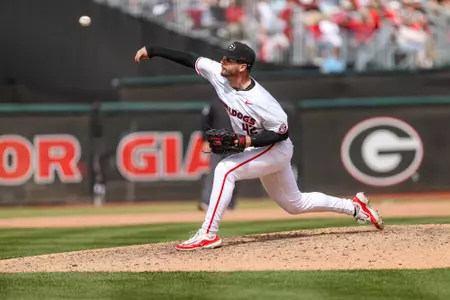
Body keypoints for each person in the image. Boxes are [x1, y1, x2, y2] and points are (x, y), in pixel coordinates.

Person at [134, 41, 384, 251]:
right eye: (223, 57)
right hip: (259, 149)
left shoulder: (262, 101)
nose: (222, 62)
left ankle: (208, 233)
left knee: (225, 170)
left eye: (229, 60)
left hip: (276, 148)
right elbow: (190, 58)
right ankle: (355, 208)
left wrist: (246, 141)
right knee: (294, 204)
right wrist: (153, 49)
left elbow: (281, 133)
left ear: (242, 67)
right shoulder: (218, 74)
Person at [199, 101, 239, 212]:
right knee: (215, 171)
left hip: (236, 140)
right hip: (217, 141)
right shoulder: (215, 101)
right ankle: (207, 201)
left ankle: (230, 203)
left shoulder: (239, 100)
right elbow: (205, 120)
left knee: (234, 172)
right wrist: (205, 139)